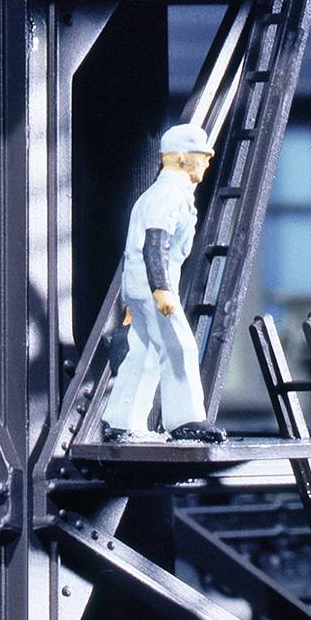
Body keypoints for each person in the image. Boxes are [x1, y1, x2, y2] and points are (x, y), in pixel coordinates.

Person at [98, 122, 226, 446]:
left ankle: (122, 421)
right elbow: (153, 244)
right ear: (182, 158)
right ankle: (185, 420)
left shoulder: (166, 193)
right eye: (202, 156)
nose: (207, 162)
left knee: (143, 354)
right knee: (179, 346)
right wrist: (161, 290)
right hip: (153, 286)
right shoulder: (168, 194)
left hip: (143, 286)